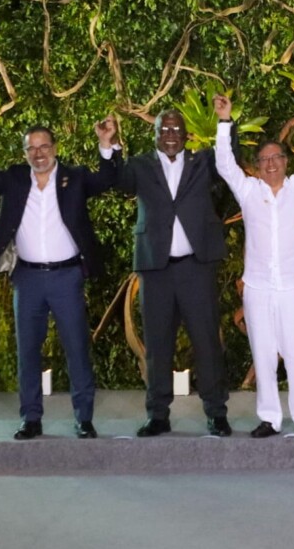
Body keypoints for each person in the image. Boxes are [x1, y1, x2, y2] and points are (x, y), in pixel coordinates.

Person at [0, 109, 115, 440]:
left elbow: (106, 179)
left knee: (77, 349)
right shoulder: (16, 179)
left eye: (43, 146)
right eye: (31, 148)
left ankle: (84, 418)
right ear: (25, 153)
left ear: (55, 148)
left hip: (66, 277)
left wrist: (106, 144)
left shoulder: (74, 178)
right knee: (28, 351)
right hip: (27, 279)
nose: (38, 153)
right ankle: (31, 418)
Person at [95, 102, 232, 438]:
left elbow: (230, 158)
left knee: (207, 343)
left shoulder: (203, 162)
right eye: (164, 129)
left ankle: (216, 413)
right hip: (156, 270)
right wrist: (108, 146)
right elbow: (116, 179)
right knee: (157, 346)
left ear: (186, 135)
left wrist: (225, 121)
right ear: (155, 134)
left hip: (196, 268)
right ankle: (157, 415)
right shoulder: (139, 166)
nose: (170, 135)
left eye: (176, 129)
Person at [213, 90, 294, 438]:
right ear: (258, 166)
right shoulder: (249, 190)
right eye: (264, 160)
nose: (270, 164)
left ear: (285, 161)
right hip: (258, 288)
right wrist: (224, 122)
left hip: (293, 287)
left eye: (276, 157)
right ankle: (269, 418)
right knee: (263, 354)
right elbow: (224, 164)